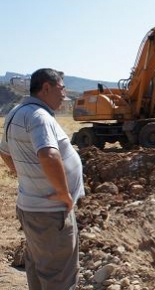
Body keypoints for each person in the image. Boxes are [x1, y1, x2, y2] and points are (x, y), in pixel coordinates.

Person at [0, 68, 84, 290]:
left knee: (39, 268)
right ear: (46, 87)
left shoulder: (16, 114)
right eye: (61, 88)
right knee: (60, 277)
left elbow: (5, 152)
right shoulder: (39, 116)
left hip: (31, 207)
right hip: (50, 212)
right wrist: (63, 194)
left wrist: (26, 176)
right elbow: (48, 154)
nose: (64, 94)